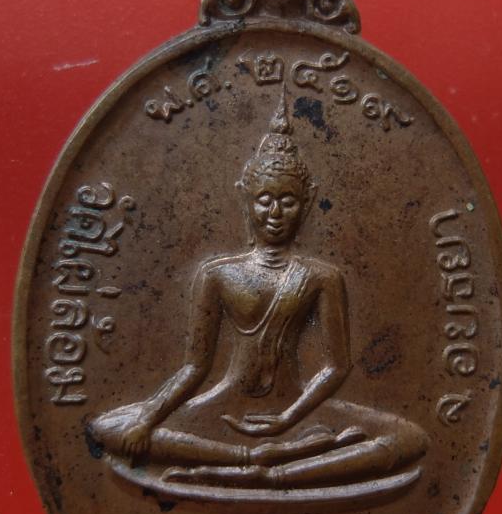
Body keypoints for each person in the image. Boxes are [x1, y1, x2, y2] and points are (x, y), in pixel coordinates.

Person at [88, 90, 428, 489]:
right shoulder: (218, 274)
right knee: (110, 428)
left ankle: (275, 470)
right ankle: (252, 458)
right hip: (226, 403)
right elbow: (195, 367)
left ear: (307, 203)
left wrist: (288, 419)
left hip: (296, 407)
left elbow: (337, 366)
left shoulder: (321, 276)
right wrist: (148, 419)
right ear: (245, 199)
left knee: (410, 437)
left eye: (288, 201)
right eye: (264, 200)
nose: (275, 212)